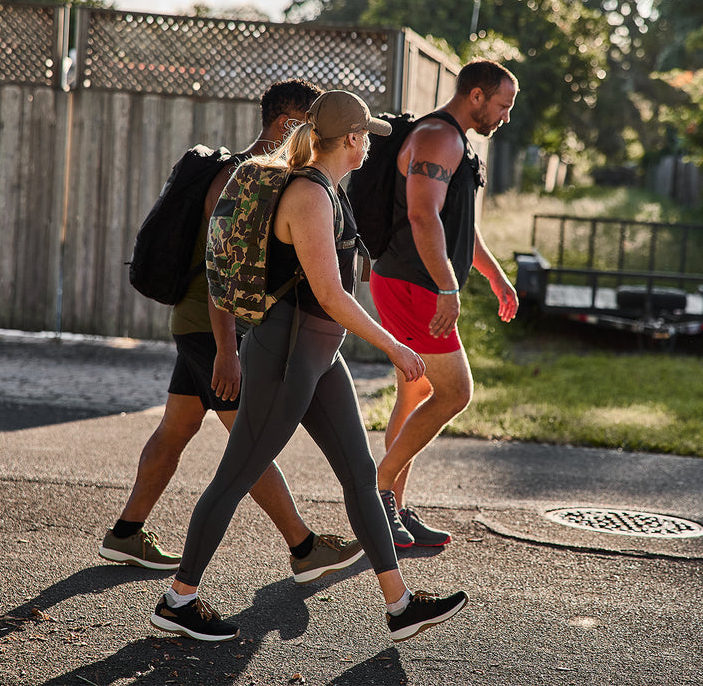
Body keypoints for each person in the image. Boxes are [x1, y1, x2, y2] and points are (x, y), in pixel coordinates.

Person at [149, 90, 469, 643]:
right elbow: (332, 295)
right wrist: (395, 346)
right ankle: (179, 598)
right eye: (365, 133)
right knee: (236, 475)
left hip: (320, 357)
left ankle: (399, 605)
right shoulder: (308, 195)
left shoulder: (326, 189)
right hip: (287, 357)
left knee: (360, 479)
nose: (369, 142)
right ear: (350, 140)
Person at [100, 79, 364, 585]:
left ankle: (126, 533)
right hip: (211, 329)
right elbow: (221, 268)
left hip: (206, 328)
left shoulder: (274, 177)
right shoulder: (241, 177)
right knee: (251, 441)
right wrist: (227, 350)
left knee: (177, 427)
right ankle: (303, 546)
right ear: (290, 125)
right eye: (311, 122)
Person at [369, 59, 520, 548]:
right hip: (411, 283)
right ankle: (378, 497)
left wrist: (497, 278)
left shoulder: (457, 141)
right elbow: (421, 214)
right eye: (503, 105)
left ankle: (395, 508)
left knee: (414, 395)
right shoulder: (438, 137)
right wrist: (449, 288)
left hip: (412, 281)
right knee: (455, 392)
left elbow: (459, 225)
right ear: (476, 95)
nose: (505, 116)